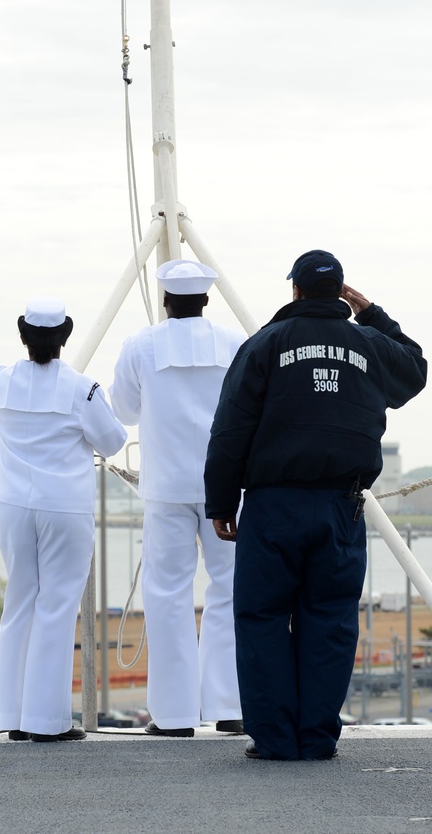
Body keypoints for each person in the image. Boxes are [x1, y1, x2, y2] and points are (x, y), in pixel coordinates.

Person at [204, 249, 428, 761]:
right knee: (330, 622)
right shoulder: (369, 344)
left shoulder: (265, 344)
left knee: (262, 619)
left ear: (296, 290)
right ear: (341, 292)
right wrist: (372, 314)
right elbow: (414, 370)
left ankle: (274, 740)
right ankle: (317, 738)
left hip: (272, 506)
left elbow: (231, 428)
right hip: (340, 507)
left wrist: (221, 500)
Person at [0, 297, 127, 742]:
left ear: (23, 336)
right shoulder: (84, 389)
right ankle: (47, 722)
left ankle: (14, 718)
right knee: (56, 608)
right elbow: (112, 442)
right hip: (64, 508)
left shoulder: (1, 382)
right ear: (65, 338)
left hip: (13, 507)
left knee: (19, 603)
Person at [109, 259, 246, 738]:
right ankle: (230, 706)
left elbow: (123, 410)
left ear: (165, 300)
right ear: (206, 299)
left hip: (166, 488)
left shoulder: (140, 345)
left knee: (167, 594)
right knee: (230, 590)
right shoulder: (235, 343)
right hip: (227, 486)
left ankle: (174, 716)